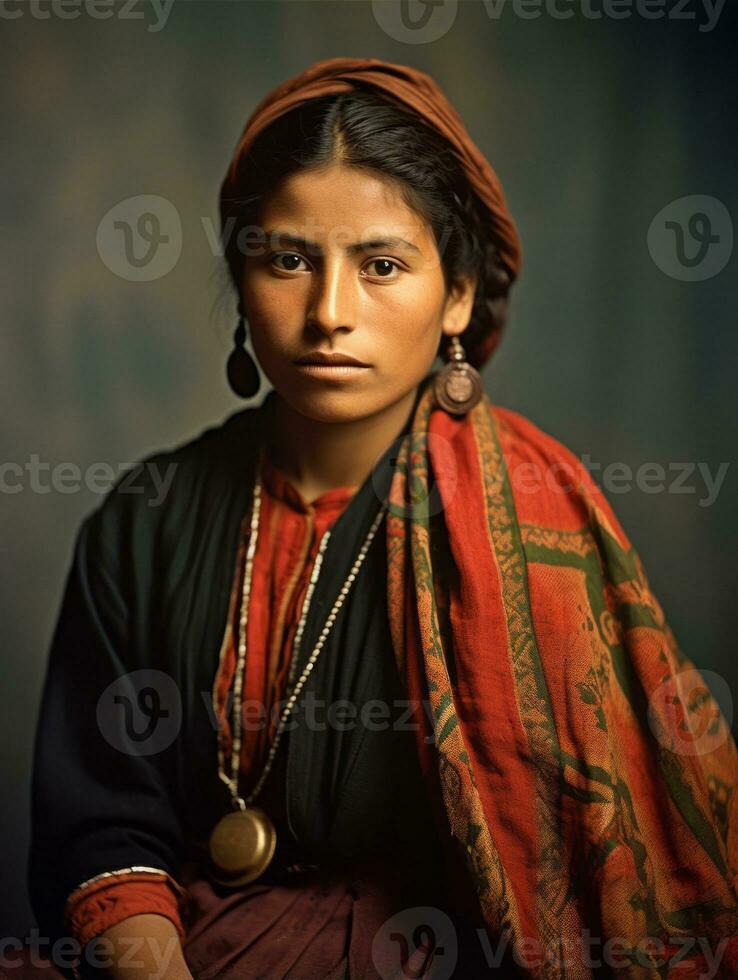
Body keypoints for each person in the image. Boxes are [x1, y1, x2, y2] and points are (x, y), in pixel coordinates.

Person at [27, 57, 738, 980]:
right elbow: (101, 820)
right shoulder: (146, 521)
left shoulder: (537, 523)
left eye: (382, 265)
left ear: (458, 297)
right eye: (288, 259)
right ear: (241, 283)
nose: (329, 314)